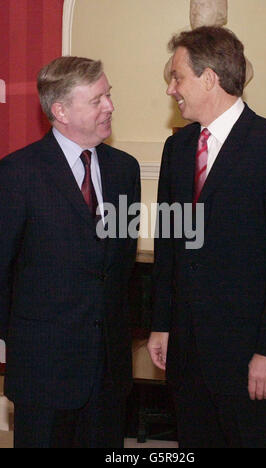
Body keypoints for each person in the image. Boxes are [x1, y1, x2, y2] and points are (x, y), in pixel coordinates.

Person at [148, 26, 266, 448]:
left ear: (209, 78)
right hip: (188, 355)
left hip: (252, 359)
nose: (170, 89)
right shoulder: (177, 150)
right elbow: (169, 246)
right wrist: (161, 324)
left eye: (177, 77)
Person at [0, 56, 140, 448]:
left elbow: (121, 263)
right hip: (43, 371)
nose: (110, 106)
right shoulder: (17, 174)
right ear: (60, 111)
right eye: (97, 100)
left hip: (109, 372)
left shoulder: (124, 171)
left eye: (108, 95)